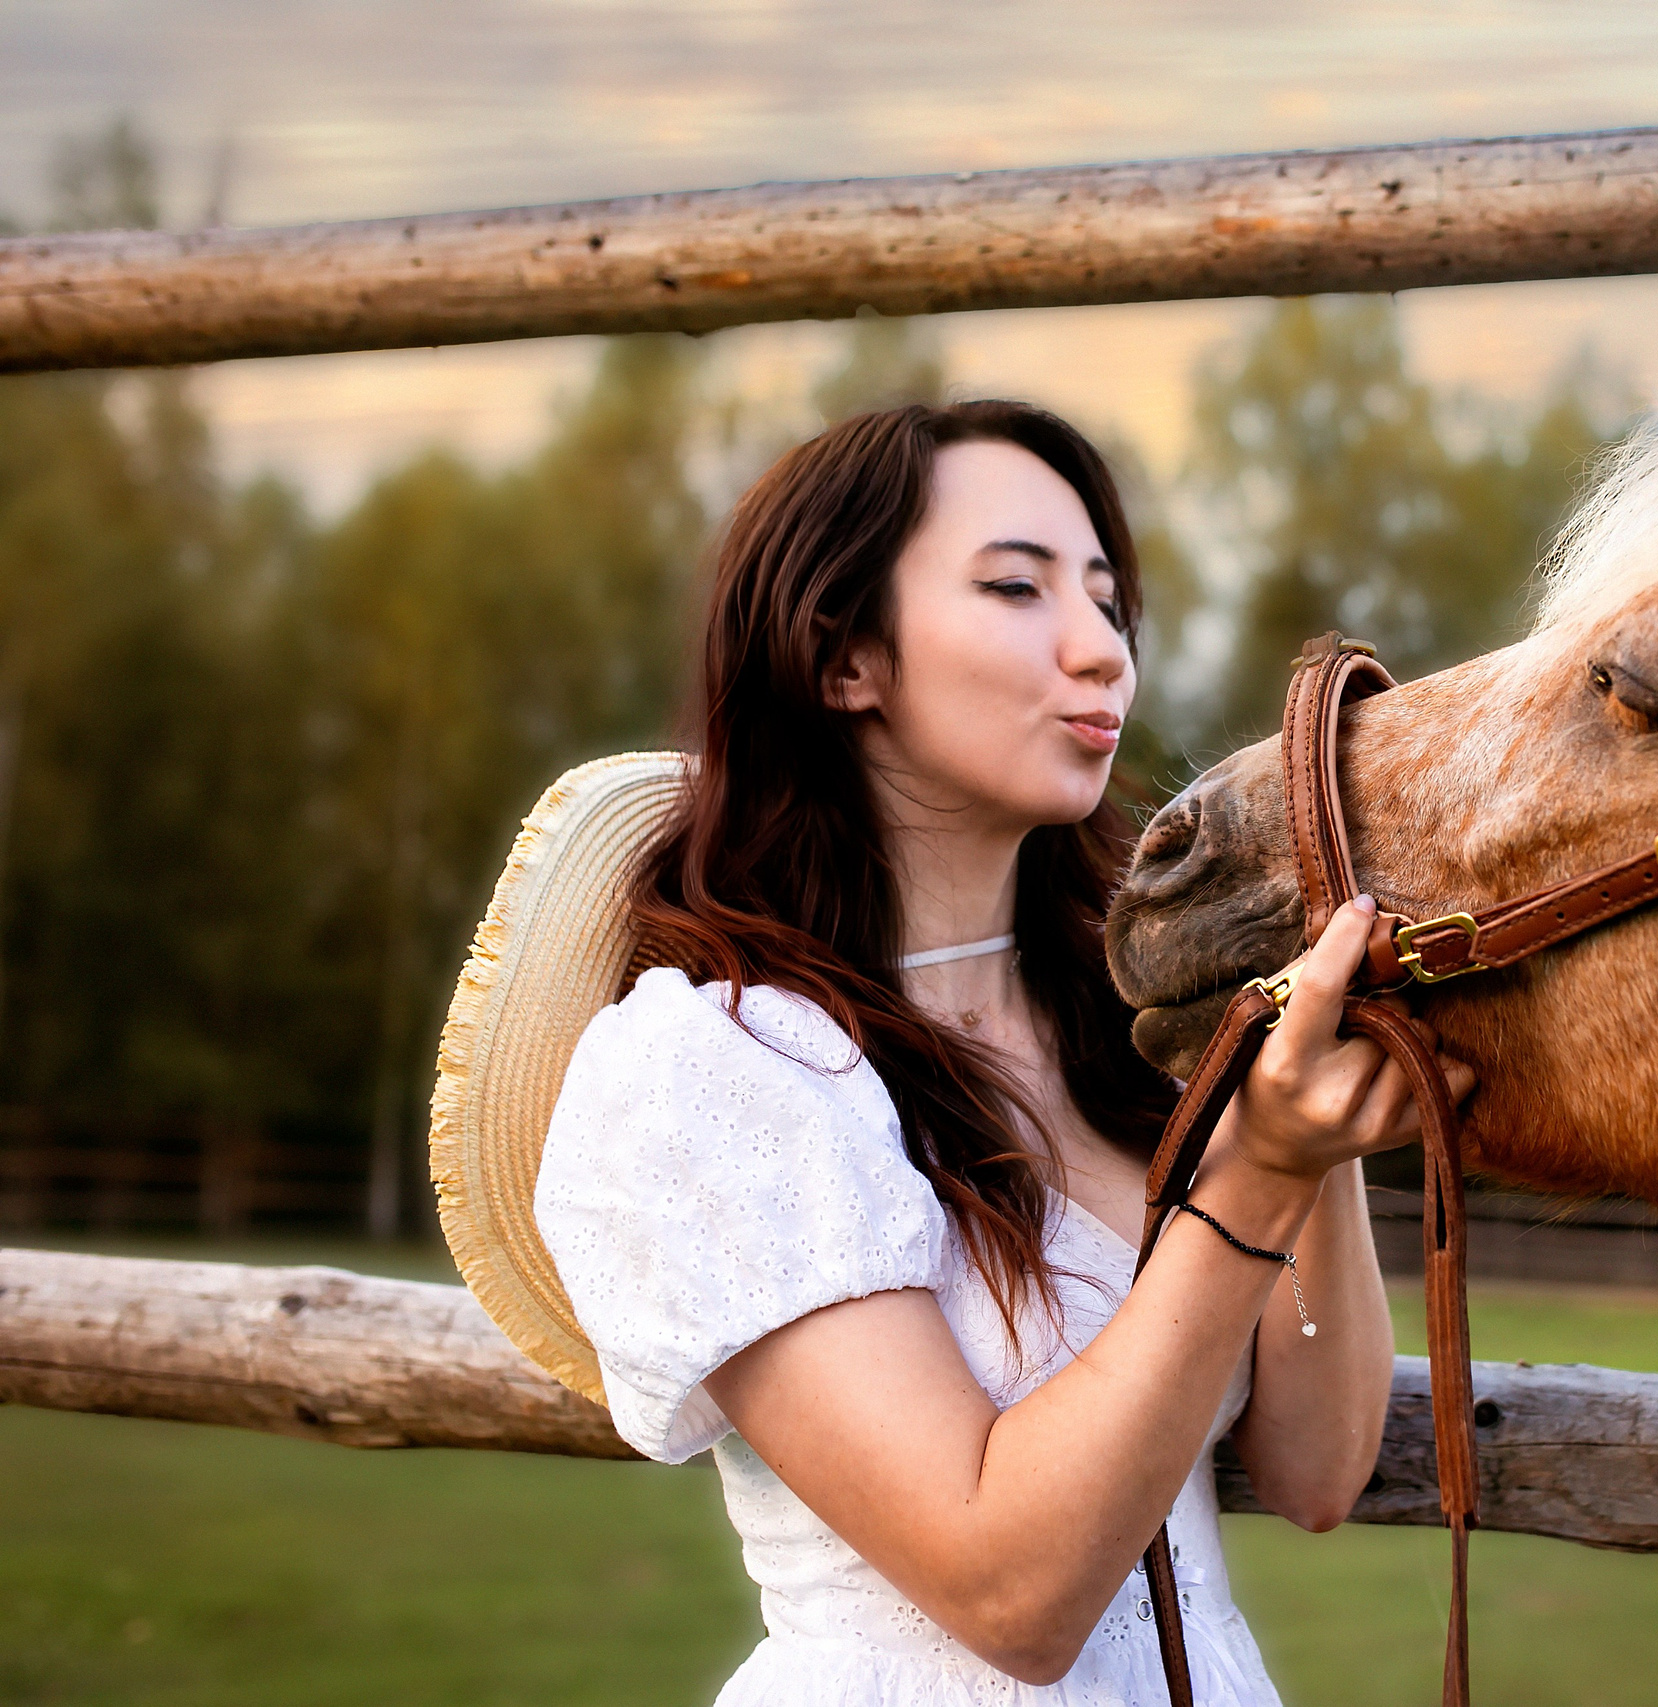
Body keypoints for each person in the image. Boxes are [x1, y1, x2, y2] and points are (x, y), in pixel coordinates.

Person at [529, 400, 1474, 1705]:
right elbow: (1009, 1594)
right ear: (845, 659)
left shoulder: (1122, 1025)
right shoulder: (721, 1071)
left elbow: (1317, 1469)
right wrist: (1255, 1167)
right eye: (1018, 589)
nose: (1100, 653)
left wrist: (1316, 1100)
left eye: (1107, 601)